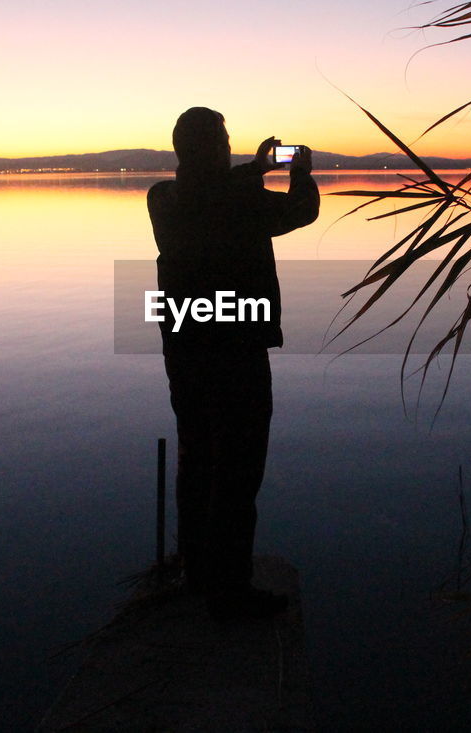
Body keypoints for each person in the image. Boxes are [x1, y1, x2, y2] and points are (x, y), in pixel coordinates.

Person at [147, 106, 319, 620]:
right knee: (239, 469)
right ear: (215, 148)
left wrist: (252, 170)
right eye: (223, 139)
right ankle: (230, 591)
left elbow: (205, 194)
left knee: (196, 456)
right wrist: (297, 174)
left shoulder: (161, 198)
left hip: (183, 347)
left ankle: (197, 568)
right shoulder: (239, 200)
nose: (229, 146)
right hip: (236, 349)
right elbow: (300, 212)